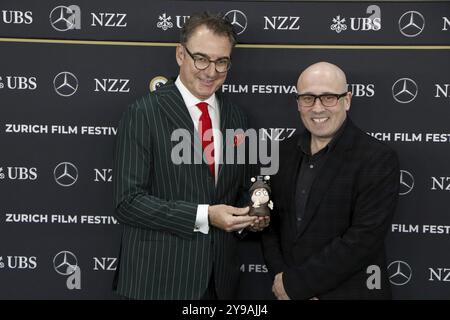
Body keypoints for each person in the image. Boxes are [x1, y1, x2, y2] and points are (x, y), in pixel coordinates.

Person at [112, 12, 267, 300]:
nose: (211, 71)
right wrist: (205, 215)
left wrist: (252, 216)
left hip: (219, 283)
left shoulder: (237, 117)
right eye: (202, 58)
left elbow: (244, 189)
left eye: (222, 61)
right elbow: (127, 202)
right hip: (156, 283)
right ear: (180, 54)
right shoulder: (143, 113)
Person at [261, 61, 400, 299]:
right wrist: (284, 282)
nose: (317, 108)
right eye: (308, 98)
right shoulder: (280, 154)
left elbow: (362, 240)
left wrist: (299, 286)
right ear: (298, 103)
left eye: (328, 98)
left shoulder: (377, 159)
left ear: (347, 100)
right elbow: (269, 226)